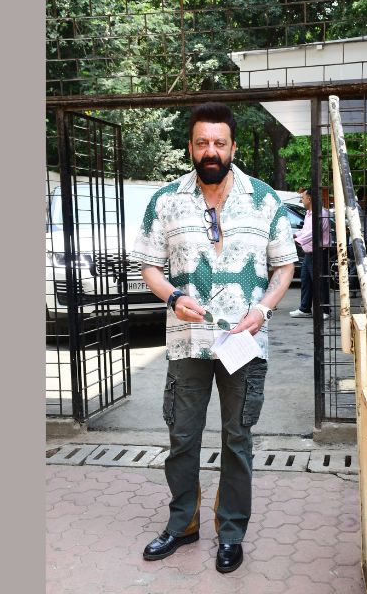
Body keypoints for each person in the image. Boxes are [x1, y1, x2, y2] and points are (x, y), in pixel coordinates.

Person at [132, 102, 298, 573]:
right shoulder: (165, 201)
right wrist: (171, 296)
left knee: (237, 438)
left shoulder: (264, 199)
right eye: (202, 142)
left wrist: (263, 309)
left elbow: (284, 265)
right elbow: (149, 265)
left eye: (219, 143)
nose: (211, 151)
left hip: (244, 344)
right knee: (182, 437)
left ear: (232, 147)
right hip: (187, 340)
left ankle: (231, 532)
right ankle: (182, 524)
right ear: (190, 147)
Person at [289, 186, 331, 319]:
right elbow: (305, 231)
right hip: (309, 253)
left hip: (319, 253)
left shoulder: (321, 213)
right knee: (306, 281)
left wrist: (298, 240)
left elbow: (313, 233)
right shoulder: (309, 213)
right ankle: (305, 309)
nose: (301, 200)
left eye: (302, 197)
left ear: (309, 198)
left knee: (320, 282)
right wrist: (295, 235)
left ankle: (324, 310)